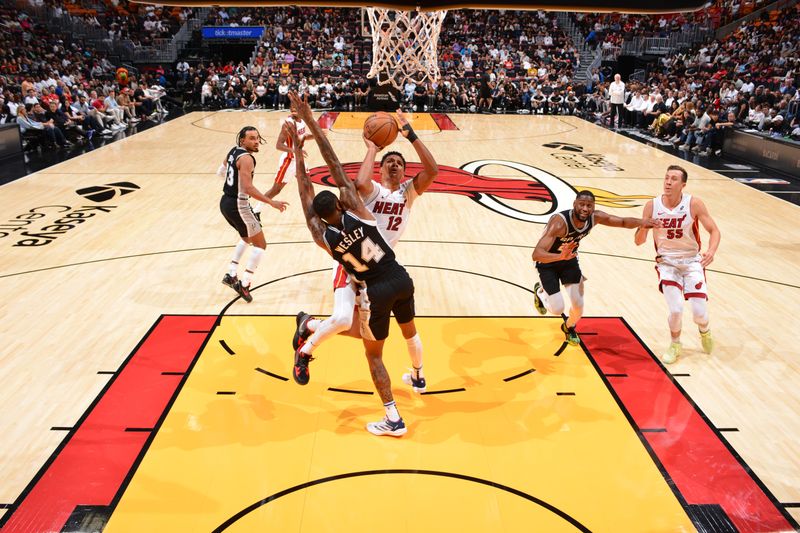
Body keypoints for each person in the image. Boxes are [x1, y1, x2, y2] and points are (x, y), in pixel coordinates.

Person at [286, 92, 414, 437]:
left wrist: (298, 152)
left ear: (318, 217)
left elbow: (303, 190)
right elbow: (336, 167)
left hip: (374, 289)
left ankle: (393, 418)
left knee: (372, 353)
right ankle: (310, 333)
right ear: (342, 206)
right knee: (352, 325)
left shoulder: (320, 236)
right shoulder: (360, 212)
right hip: (401, 279)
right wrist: (310, 121)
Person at [293, 106, 438, 394]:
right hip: (351, 266)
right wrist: (372, 147)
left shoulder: (408, 193)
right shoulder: (370, 194)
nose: (394, 165)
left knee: (365, 333)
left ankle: (310, 324)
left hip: (379, 271)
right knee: (347, 321)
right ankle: (306, 349)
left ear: (405, 171)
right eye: (389, 162)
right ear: (381, 169)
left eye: (399, 162)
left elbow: (432, 171)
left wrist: (410, 135)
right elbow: (357, 182)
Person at [532, 190, 660, 345]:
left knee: (578, 306)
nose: (585, 209)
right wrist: (560, 256)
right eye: (582, 205)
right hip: (547, 263)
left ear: (593, 207)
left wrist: (641, 222)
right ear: (574, 205)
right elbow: (537, 254)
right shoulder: (559, 223)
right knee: (557, 309)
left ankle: (569, 327)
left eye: (589, 205)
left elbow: (623, 222)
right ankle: (540, 291)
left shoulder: (595, 217)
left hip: (569, 261)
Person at [634, 165, 720, 364]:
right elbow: (639, 241)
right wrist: (644, 227)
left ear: (683, 185)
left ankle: (704, 331)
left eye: (673, 179)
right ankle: (675, 344)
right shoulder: (652, 206)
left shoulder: (694, 204)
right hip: (667, 262)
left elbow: (714, 231)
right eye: (666, 178)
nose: (668, 182)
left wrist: (711, 251)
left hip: (691, 262)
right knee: (676, 310)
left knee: (699, 314)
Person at [218, 126, 288, 302]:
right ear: (243, 140)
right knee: (260, 244)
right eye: (251, 138)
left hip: (225, 202)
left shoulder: (233, 151)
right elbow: (248, 188)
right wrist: (271, 202)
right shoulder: (247, 159)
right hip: (239, 205)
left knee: (246, 236)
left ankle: (231, 273)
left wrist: (231, 182)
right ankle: (245, 283)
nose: (256, 141)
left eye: (257, 138)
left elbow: (220, 172)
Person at [252, 101, 314, 217]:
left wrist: (317, 135)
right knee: (276, 190)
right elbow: (279, 145)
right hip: (289, 161)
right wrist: (295, 150)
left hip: (299, 159)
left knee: (309, 185)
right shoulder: (288, 124)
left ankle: (316, 211)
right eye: (292, 107)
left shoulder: (301, 121)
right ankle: (256, 210)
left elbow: (302, 137)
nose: (293, 109)